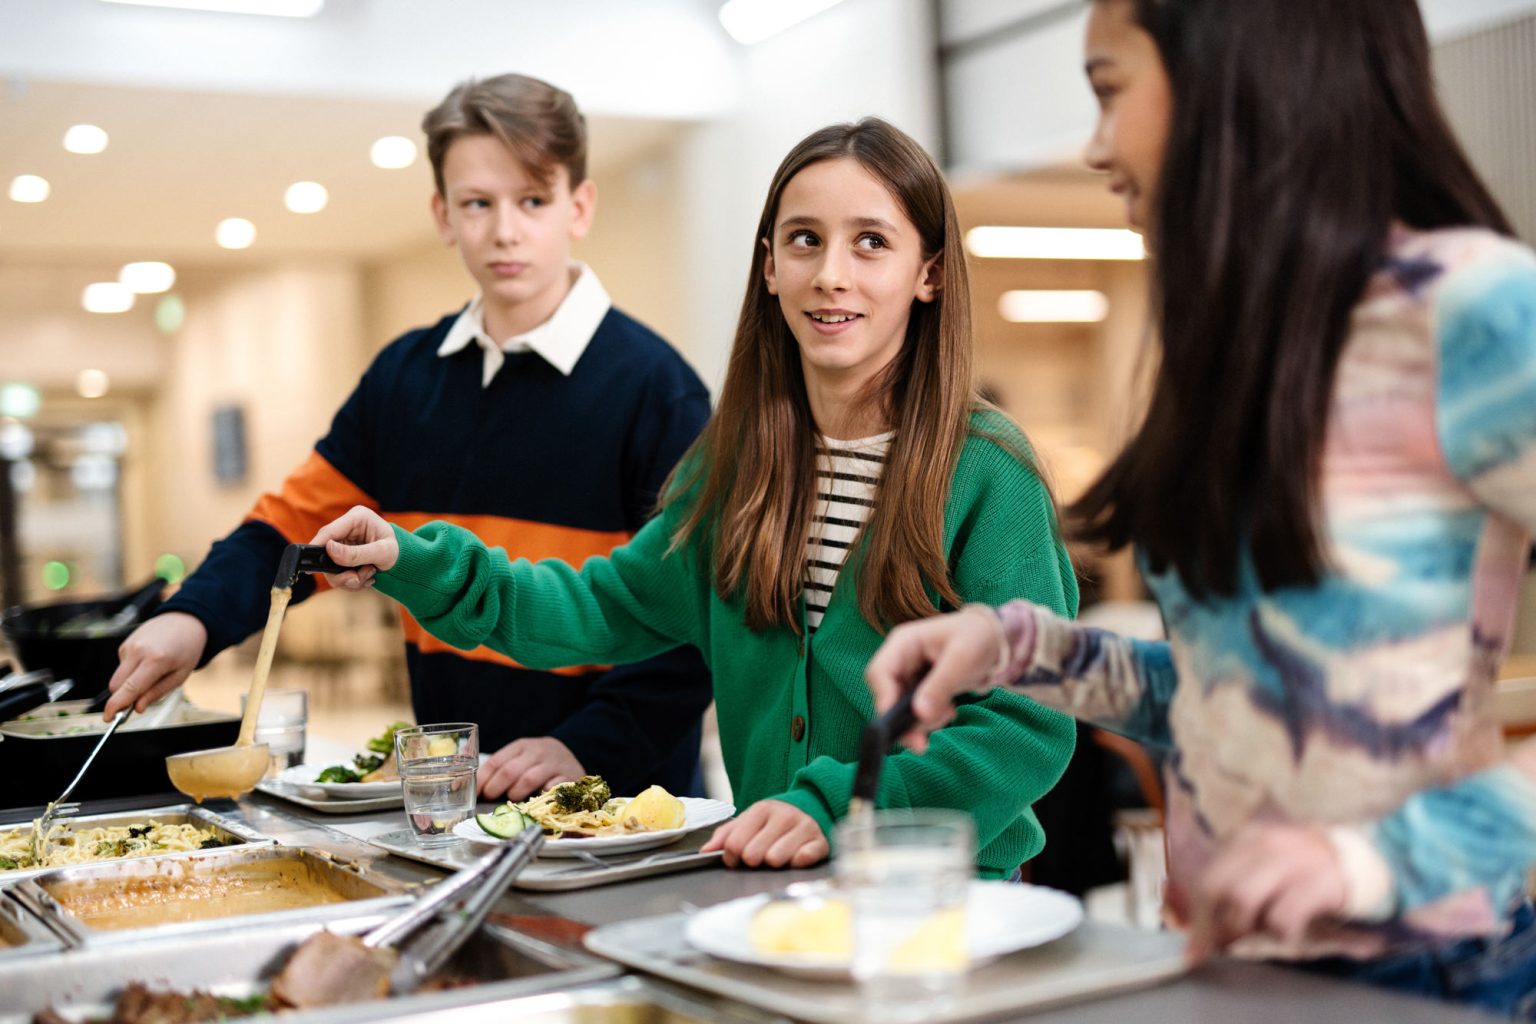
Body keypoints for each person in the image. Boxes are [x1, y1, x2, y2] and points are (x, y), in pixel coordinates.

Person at [864, 0, 1536, 1014]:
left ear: (1235, 75)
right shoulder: (1236, 352)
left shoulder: (1476, 311)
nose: (1095, 146)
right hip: (1229, 961)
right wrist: (1013, 649)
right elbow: (1229, 705)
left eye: (1108, 90)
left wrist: (1368, 862)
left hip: (1430, 975)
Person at [312, 117, 1079, 874]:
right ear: (770, 264)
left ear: (930, 274)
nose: (831, 273)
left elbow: (1025, 723)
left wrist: (839, 806)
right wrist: (415, 561)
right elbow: (599, 607)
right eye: (805, 238)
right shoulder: (736, 466)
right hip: (777, 893)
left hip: (946, 899)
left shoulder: (988, 471)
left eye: (871, 242)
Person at [104, 73, 716, 802]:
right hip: (449, 791)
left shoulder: (657, 388)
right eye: (477, 203)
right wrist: (192, 617)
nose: (505, 230)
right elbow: (298, 529)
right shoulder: (404, 378)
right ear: (443, 213)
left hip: (621, 802)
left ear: (578, 207)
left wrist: (580, 745)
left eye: (532, 200)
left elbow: (692, 616)